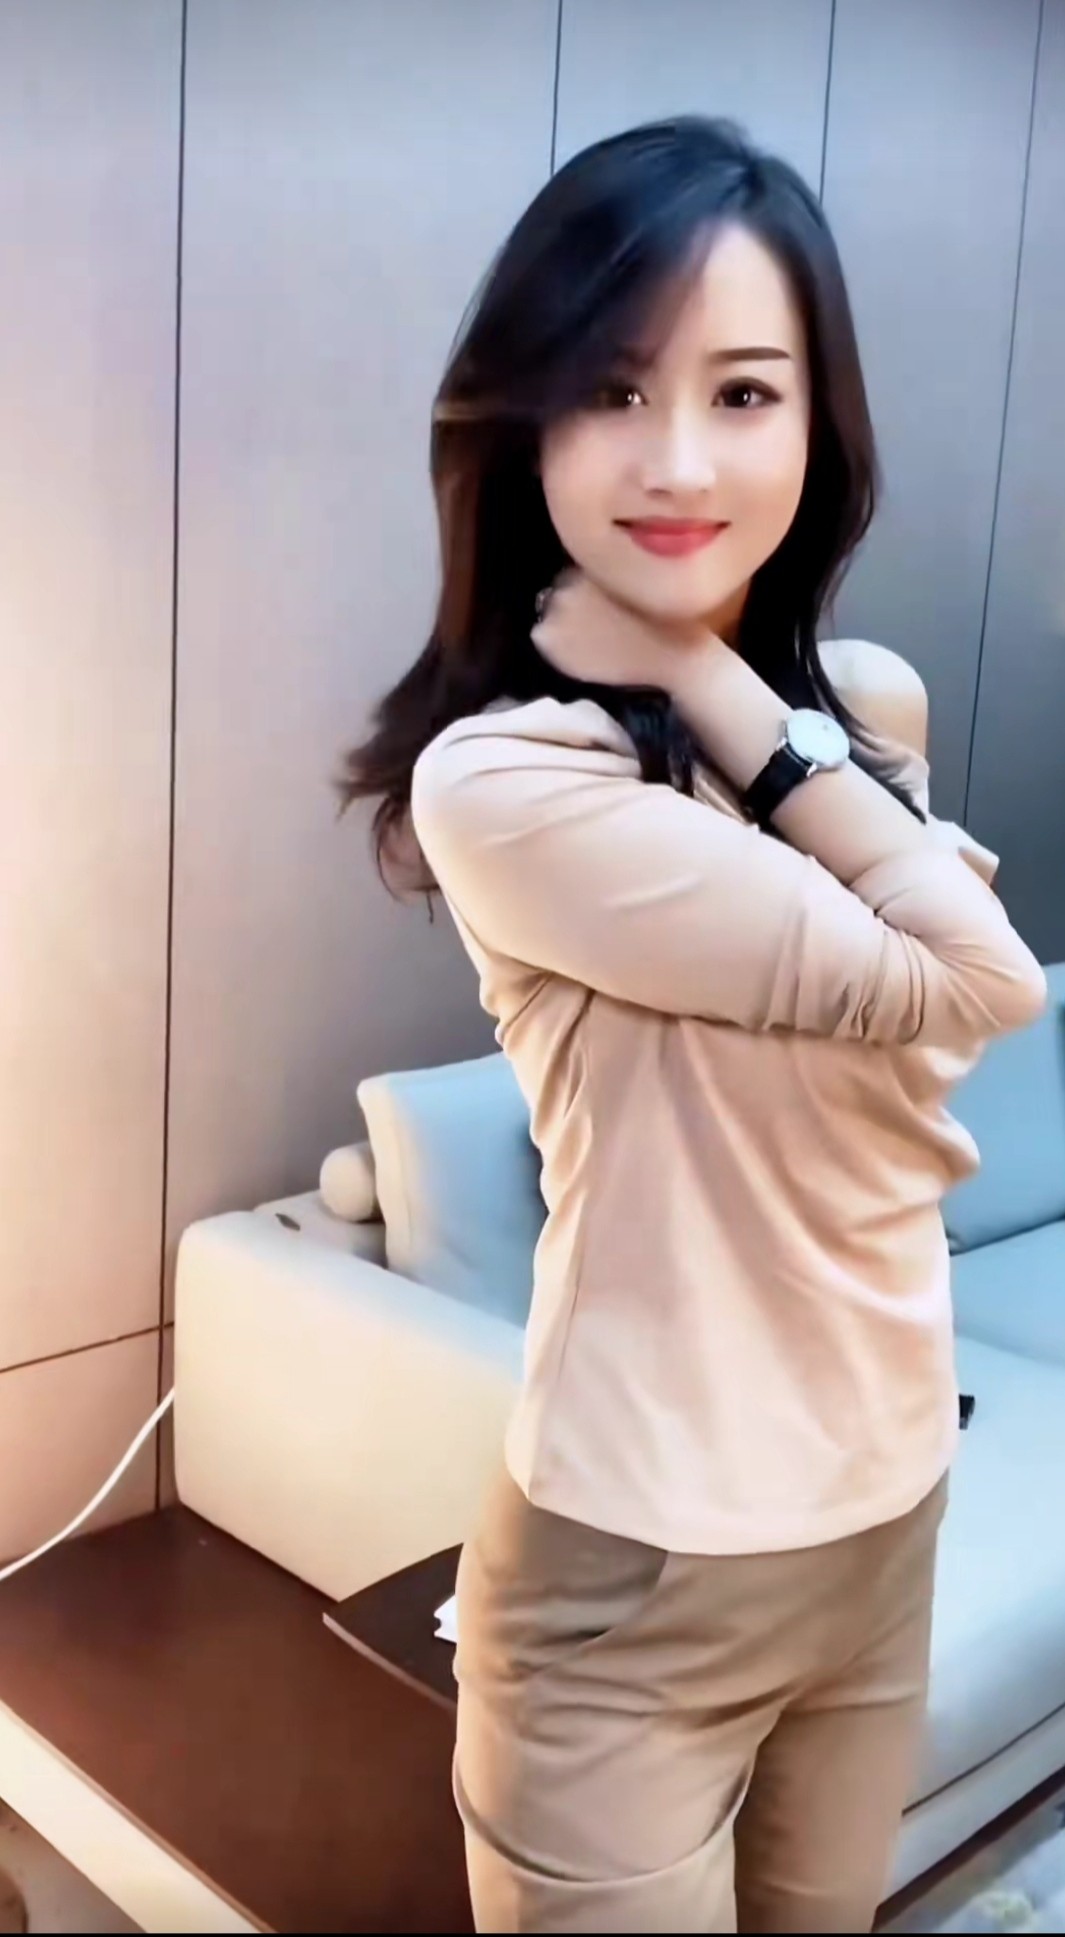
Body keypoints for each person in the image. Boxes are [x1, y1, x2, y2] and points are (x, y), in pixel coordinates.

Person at [341, 117, 1046, 1934]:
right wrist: (681, 677)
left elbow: (925, 1025)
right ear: (524, 425)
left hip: (886, 1507)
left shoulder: (860, 710)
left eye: (741, 393)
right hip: (635, 1573)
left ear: (818, 427)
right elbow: (984, 978)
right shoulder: (509, 778)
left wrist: (708, 680)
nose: (674, 459)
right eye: (610, 389)